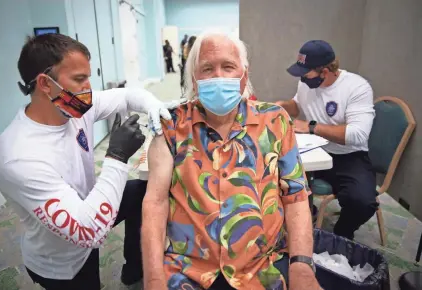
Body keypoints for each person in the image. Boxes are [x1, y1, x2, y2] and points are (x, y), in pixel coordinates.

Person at [141, 31, 321, 290]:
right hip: (188, 270)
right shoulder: (171, 125)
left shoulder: (276, 121)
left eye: (228, 67)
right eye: (207, 68)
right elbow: (155, 202)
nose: (219, 77)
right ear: (194, 78)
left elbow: (296, 197)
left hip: (263, 266)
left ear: (243, 76)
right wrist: (154, 278)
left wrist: (302, 265)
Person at [0, 33, 173, 289]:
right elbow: (89, 231)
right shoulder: (19, 157)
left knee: (143, 192)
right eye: (80, 79)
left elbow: (126, 96)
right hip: (63, 260)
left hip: (90, 203)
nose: (89, 87)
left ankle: (134, 268)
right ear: (45, 83)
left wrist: (153, 104)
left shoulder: (73, 106)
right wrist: (117, 156)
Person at [278, 40, 378, 240]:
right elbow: (297, 105)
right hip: (314, 152)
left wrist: (312, 127)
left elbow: (358, 134)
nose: (303, 79)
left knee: (362, 202)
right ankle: (304, 218)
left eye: (306, 74)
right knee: (281, 181)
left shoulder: (357, 87)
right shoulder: (306, 83)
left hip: (349, 156)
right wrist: (281, 106)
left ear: (324, 71)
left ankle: (341, 234)